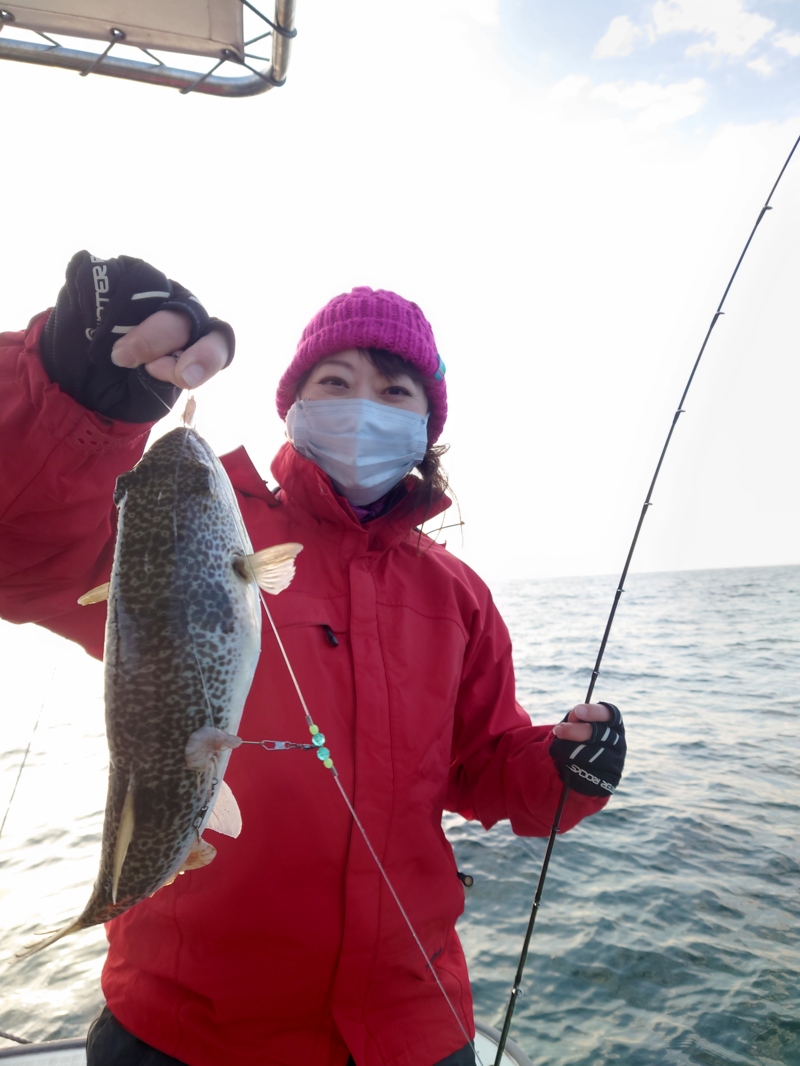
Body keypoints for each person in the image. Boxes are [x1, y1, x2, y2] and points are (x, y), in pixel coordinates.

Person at [0, 252, 626, 1066]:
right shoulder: (194, 524)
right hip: (187, 1029)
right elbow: (28, 547)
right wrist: (71, 398)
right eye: (335, 381)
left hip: (411, 1026)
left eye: (395, 391)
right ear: (290, 403)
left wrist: (562, 772)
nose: (364, 405)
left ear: (426, 426)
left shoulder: (457, 595)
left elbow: (480, 767)